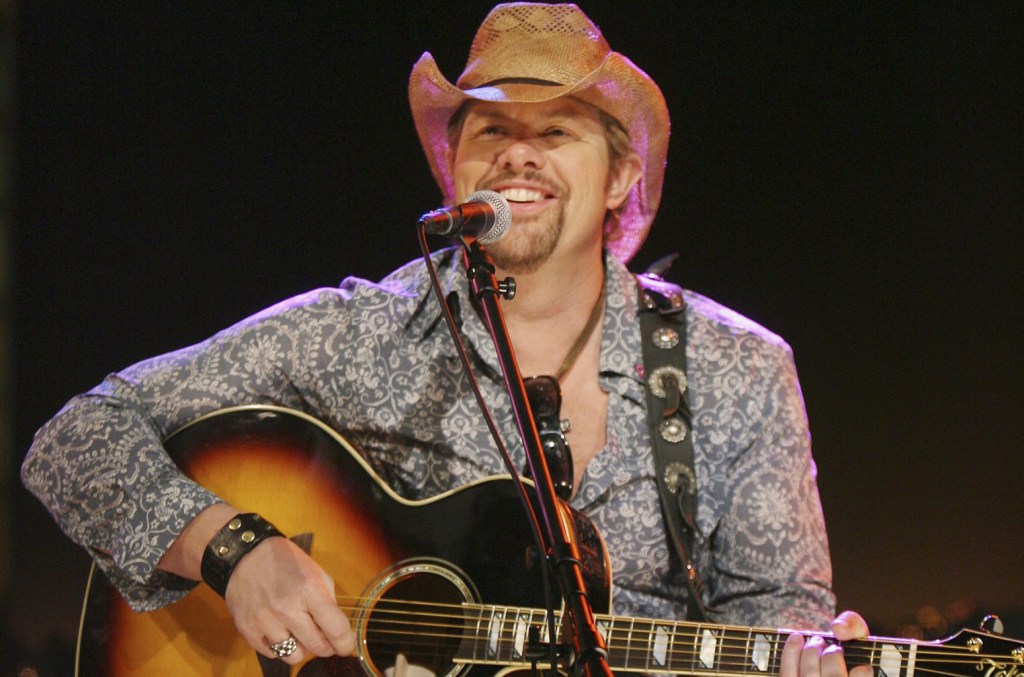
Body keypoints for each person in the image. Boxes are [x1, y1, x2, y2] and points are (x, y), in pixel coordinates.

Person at [22, 3, 870, 674]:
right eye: (492, 130)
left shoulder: (738, 368)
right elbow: (73, 438)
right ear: (455, 165)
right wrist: (234, 550)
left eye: (556, 130)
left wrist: (812, 661)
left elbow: (778, 621)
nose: (518, 156)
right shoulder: (356, 333)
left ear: (619, 176)